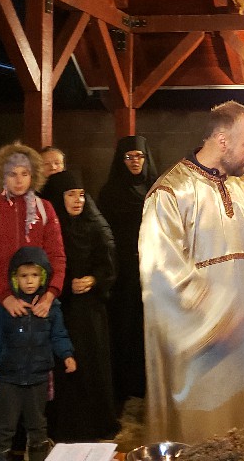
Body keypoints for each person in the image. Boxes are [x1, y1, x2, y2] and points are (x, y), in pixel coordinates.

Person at [139, 101, 244, 459]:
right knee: (205, 436)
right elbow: (159, 270)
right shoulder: (170, 192)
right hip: (204, 345)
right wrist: (215, 319)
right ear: (222, 140)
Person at [0, 143, 65, 459]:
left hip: (36, 312)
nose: (19, 179)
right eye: (12, 173)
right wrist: (3, 296)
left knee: (33, 380)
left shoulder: (45, 210)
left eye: (25, 173)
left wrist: (50, 293)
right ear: (1, 175)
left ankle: (35, 443)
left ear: (34, 175)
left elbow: (56, 255)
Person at [42, 169, 121, 441]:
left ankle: (96, 423)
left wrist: (93, 279)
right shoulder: (51, 229)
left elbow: (108, 264)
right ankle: (68, 427)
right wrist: (64, 286)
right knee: (65, 366)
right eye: (71, 195)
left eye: (81, 195)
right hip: (60, 308)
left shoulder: (94, 225)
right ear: (58, 198)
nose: (78, 201)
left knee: (93, 362)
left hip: (90, 308)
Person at [0, 247, 77, 461]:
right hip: (9, 378)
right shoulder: (2, 310)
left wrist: (67, 354)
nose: (30, 281)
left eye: (34, 275)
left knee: (37, 426)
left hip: (37, 377)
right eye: (24, 276)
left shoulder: (51, 308)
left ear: (43, 277)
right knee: (5, 427)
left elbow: (59, 334)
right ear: (15, 278)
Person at [98, 135, 157, 404]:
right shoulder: (110, 193)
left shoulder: (156, 189)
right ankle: (124, 383)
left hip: (152, 268)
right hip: (122, 270)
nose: (135, 162)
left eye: (139, 156)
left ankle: (149, 383)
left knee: (149, 325)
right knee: (124, 326)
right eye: (129, 157)